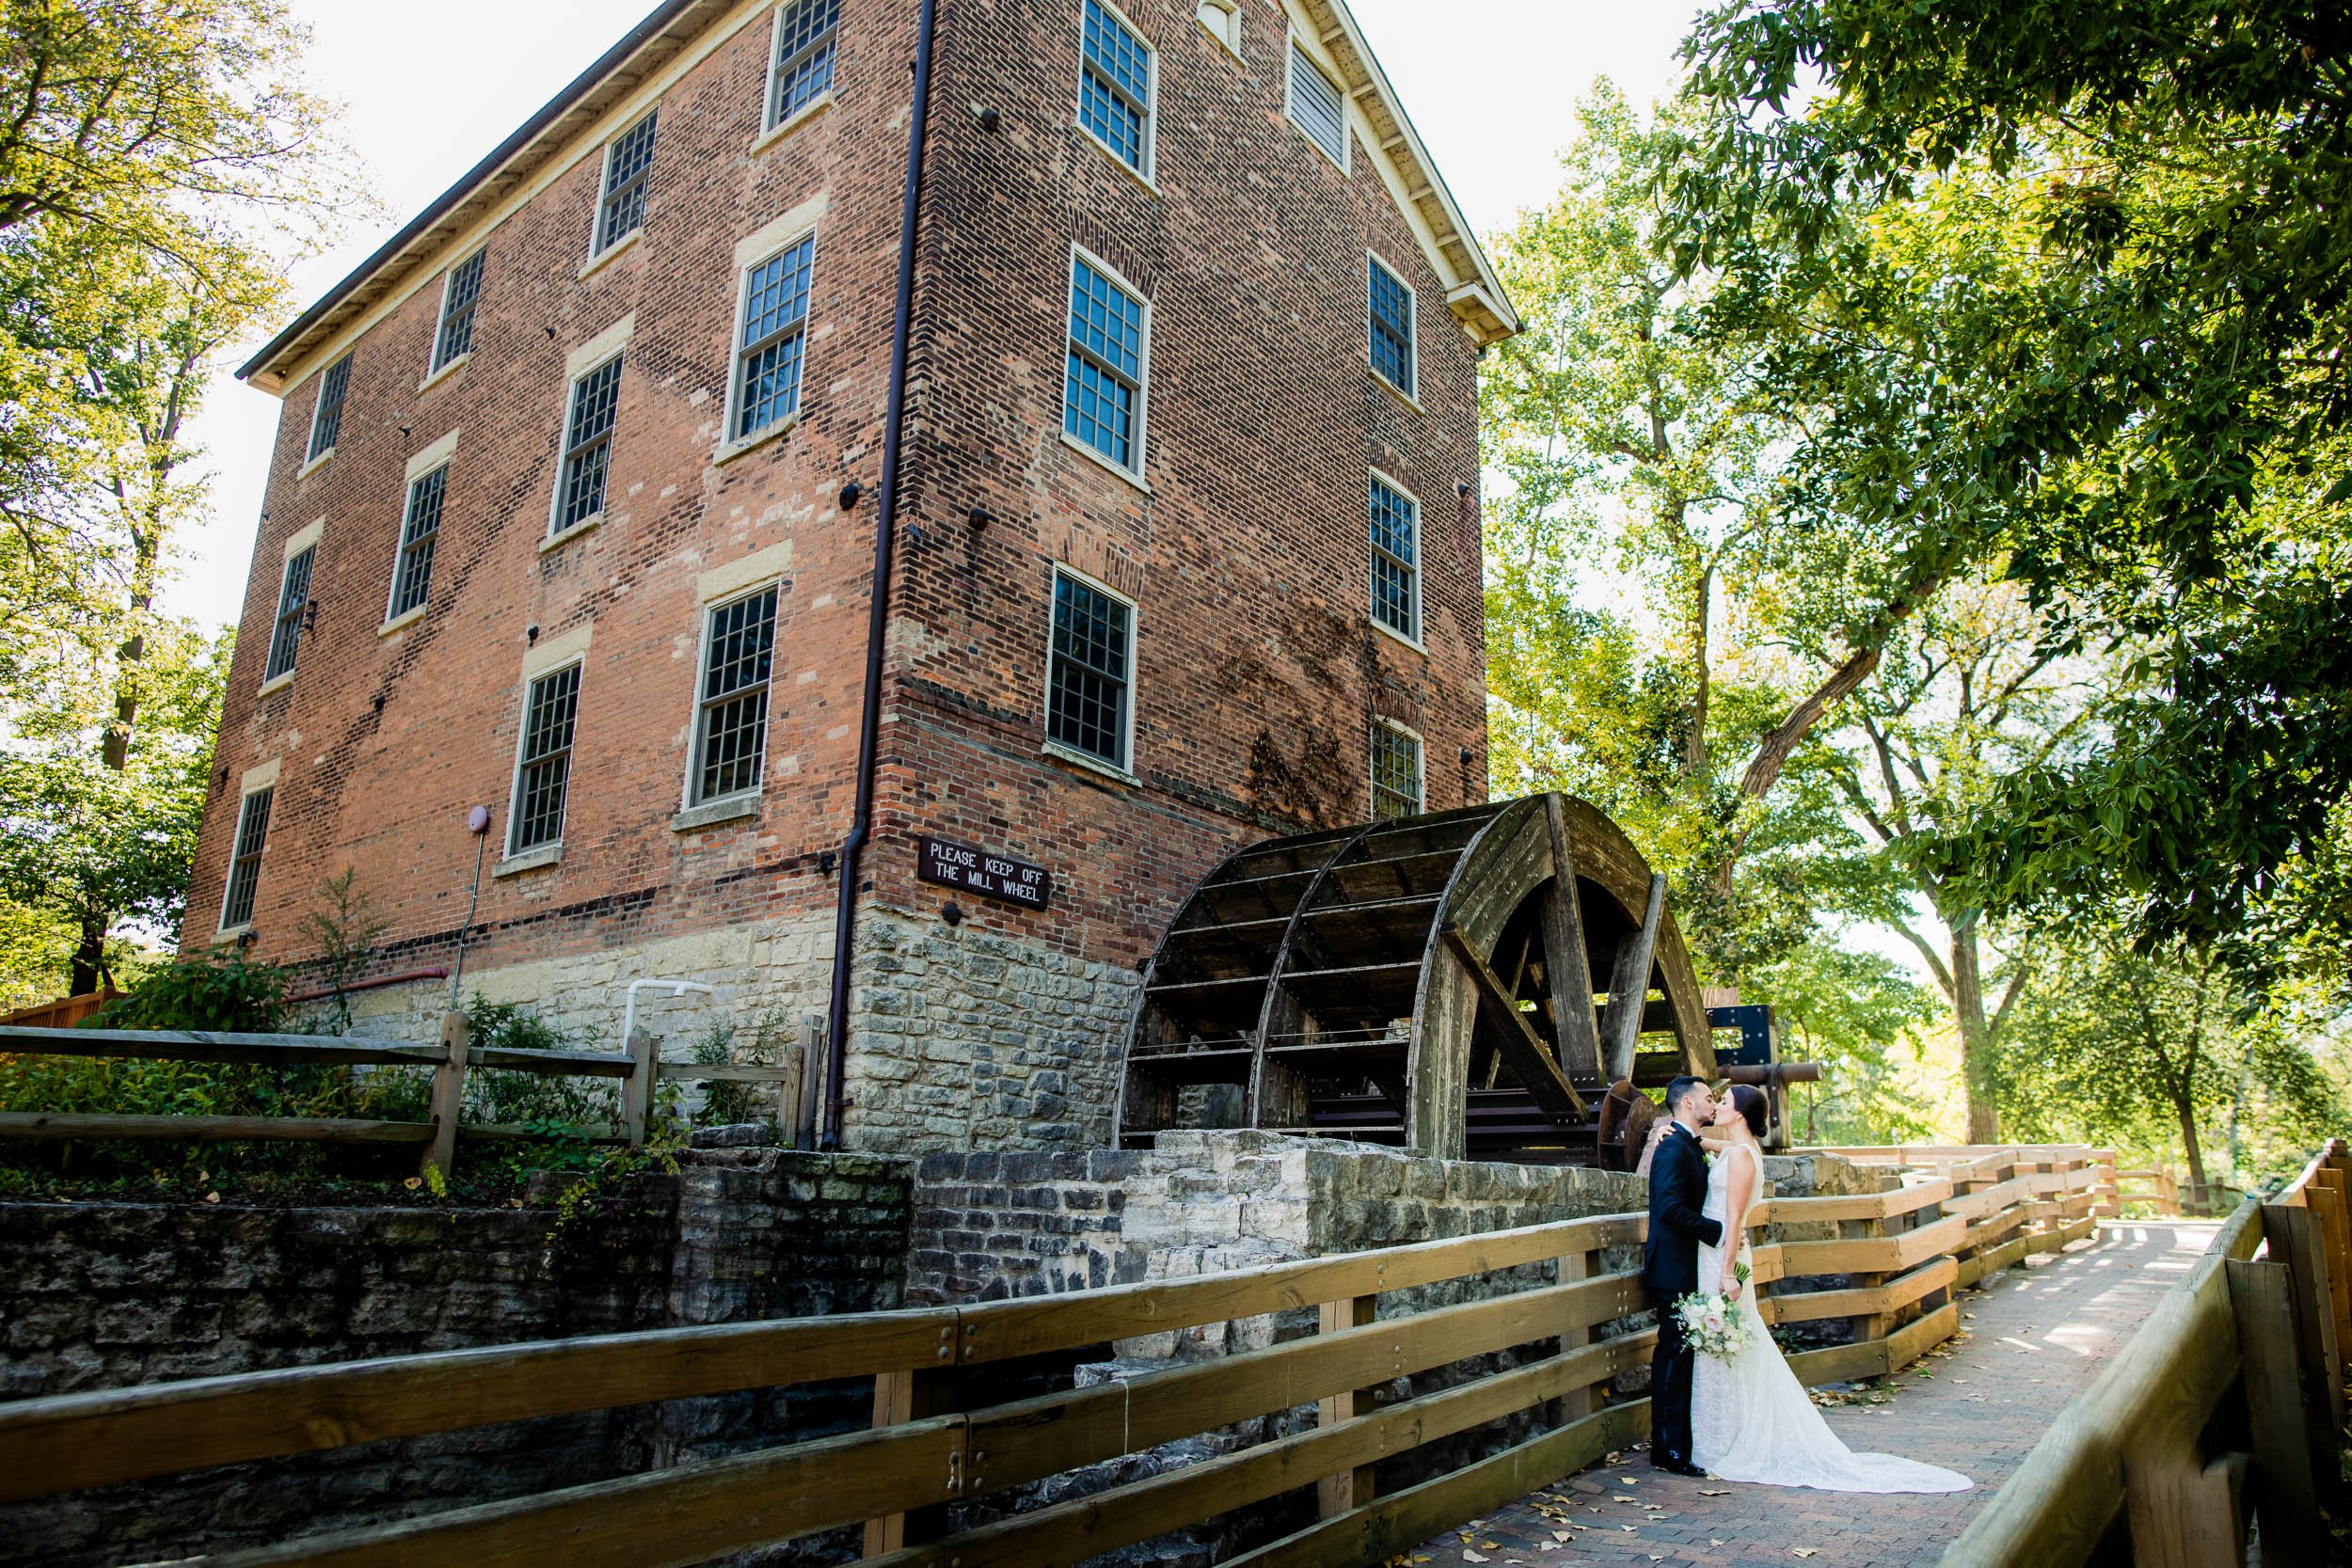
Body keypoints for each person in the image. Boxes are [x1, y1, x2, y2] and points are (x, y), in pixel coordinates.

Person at [1690, 1084, 1972, 1493]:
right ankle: (1719, 1434)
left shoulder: (1742, 1159)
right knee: (1729, 1343)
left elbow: (1733, 1218)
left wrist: (1727, 1272)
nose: (1716, 1106)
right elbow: (1722, 1150)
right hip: (1719, 1256)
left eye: (1725, 1102)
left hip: (1724, 1259)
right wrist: (1691, 1137)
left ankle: (1728, 1440)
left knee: (1729, 1342)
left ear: (1742, 1115)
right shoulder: (1740, 1151)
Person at [1640, 1074, 1722, 1475]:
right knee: (1672, 1356)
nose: (1714, 1103)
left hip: (1687, 1268)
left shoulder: (1684, 1143)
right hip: (1671, 1269)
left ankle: (1679, 1445)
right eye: (1708, 1097)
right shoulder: (1673, 1148)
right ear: (1687, 1103)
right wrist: (1713, 1230)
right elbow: (1669, 1207)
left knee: (1683, 1353)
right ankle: (1667, 1450)